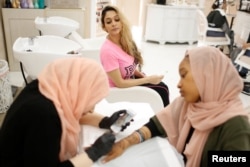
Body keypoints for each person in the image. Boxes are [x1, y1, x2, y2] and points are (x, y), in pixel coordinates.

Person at [101, 46, 250, 167]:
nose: (178, 84)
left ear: (207, 76)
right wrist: (125, 142)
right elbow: (156, 126)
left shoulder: (235, 126)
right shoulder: (188, 105)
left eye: (184, 75)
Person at [0, 57, 130, 167]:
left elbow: (69, 113)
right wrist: (93, 153)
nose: (91, 109)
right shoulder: (44, 115)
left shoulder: (45, 87)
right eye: (91, 100)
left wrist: (105, 121)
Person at [100, 5, 170, 107]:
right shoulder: (107, 51)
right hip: (118, 91)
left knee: (163, 86)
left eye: (117, 19)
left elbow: (127, 66)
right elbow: (120, 83)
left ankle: (166, 119)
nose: (114, 24)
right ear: (104, 27)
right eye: (109, 22)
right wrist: (148, 79)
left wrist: (141, 75)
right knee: (162, 90)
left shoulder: (124, 41)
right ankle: (164, 121)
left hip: (129, 81)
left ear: (121, 21)